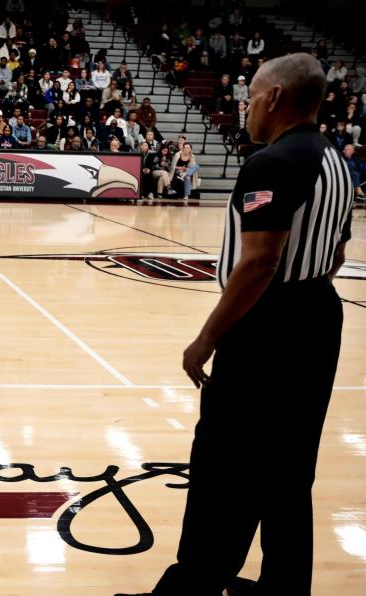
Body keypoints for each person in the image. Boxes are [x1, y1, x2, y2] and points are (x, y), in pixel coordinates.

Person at [117, 53, 355, 596]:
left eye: (251, 95)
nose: (245, 107)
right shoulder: (339, 162)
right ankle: (283, 586)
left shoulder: (271, 162)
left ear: (274, 98)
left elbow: (259, 262)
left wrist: (206, 339)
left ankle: (194, 586)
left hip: (267, 324)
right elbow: (337, 253)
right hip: (319, 314)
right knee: (291, 469)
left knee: (226, 465)